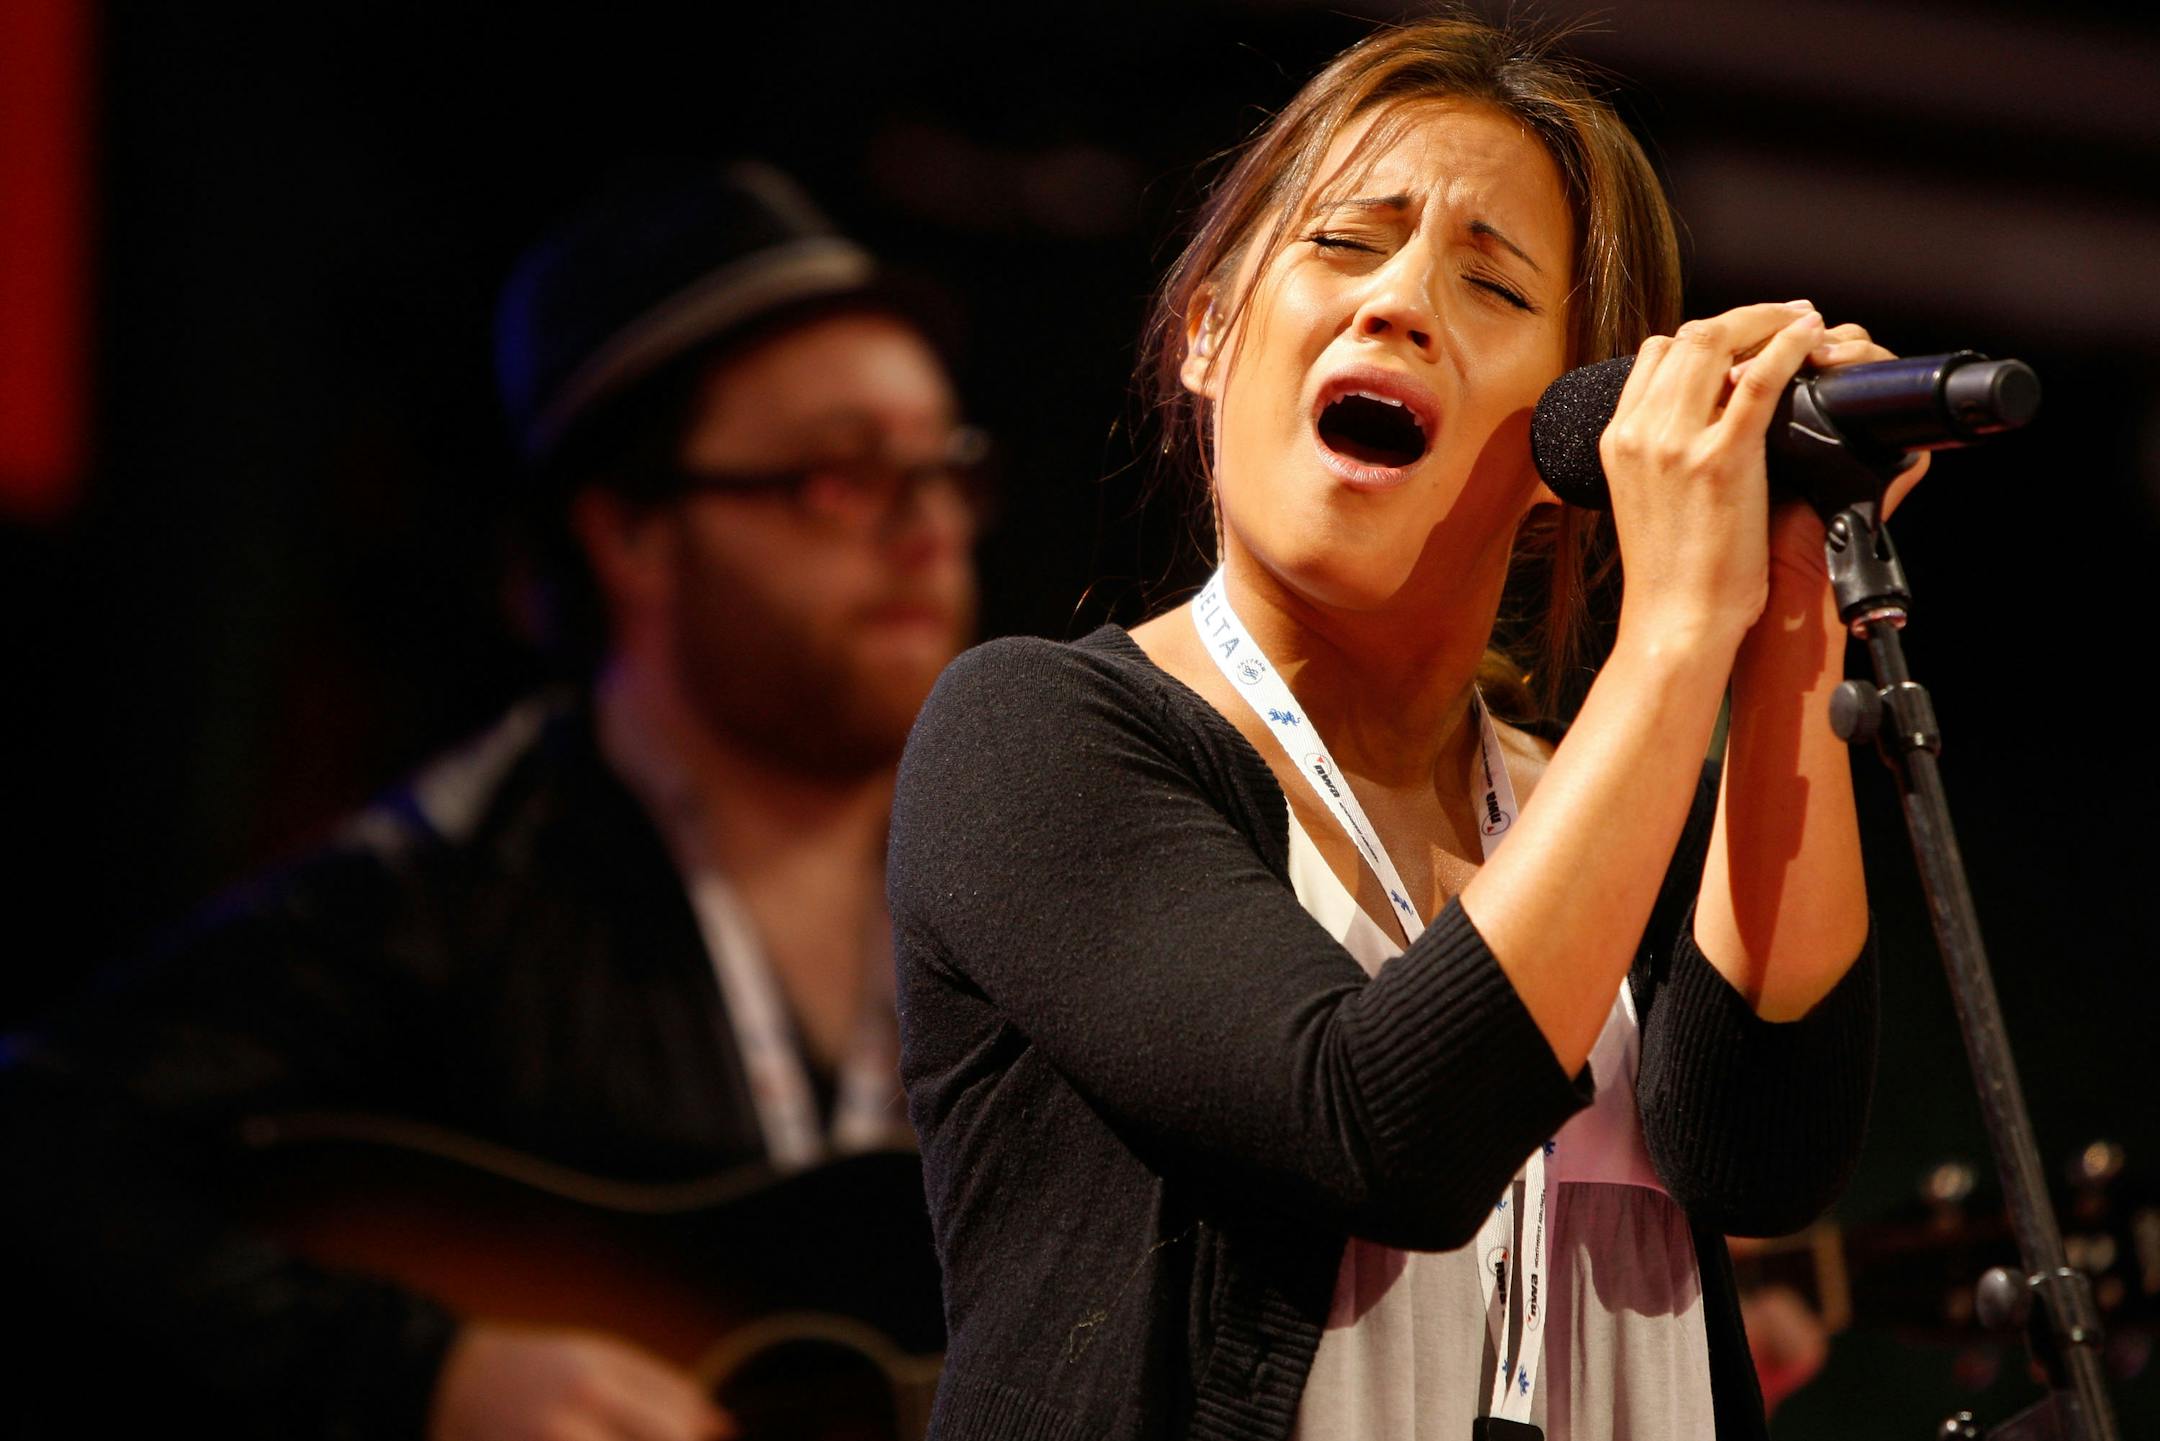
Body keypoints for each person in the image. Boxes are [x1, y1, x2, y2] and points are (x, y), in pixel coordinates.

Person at [887, 17, 1918, 1441]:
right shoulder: (1034, 735)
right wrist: (1676, 627)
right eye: (1344, 245)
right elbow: (1377, 1131)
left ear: (1579, 437)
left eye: (1491, 281)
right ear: (1205, 334)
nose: (1399, 304)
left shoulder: (1595, 797)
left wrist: (1791, 592)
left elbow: (1766, 1156)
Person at [0, 163, 979, 1440]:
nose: (927, 530)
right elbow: (32, 1150)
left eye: (945, 466)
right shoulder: (450, 885)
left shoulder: (1034, 863)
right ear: (627, 532)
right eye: (838, 476)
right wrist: (416, 1371)